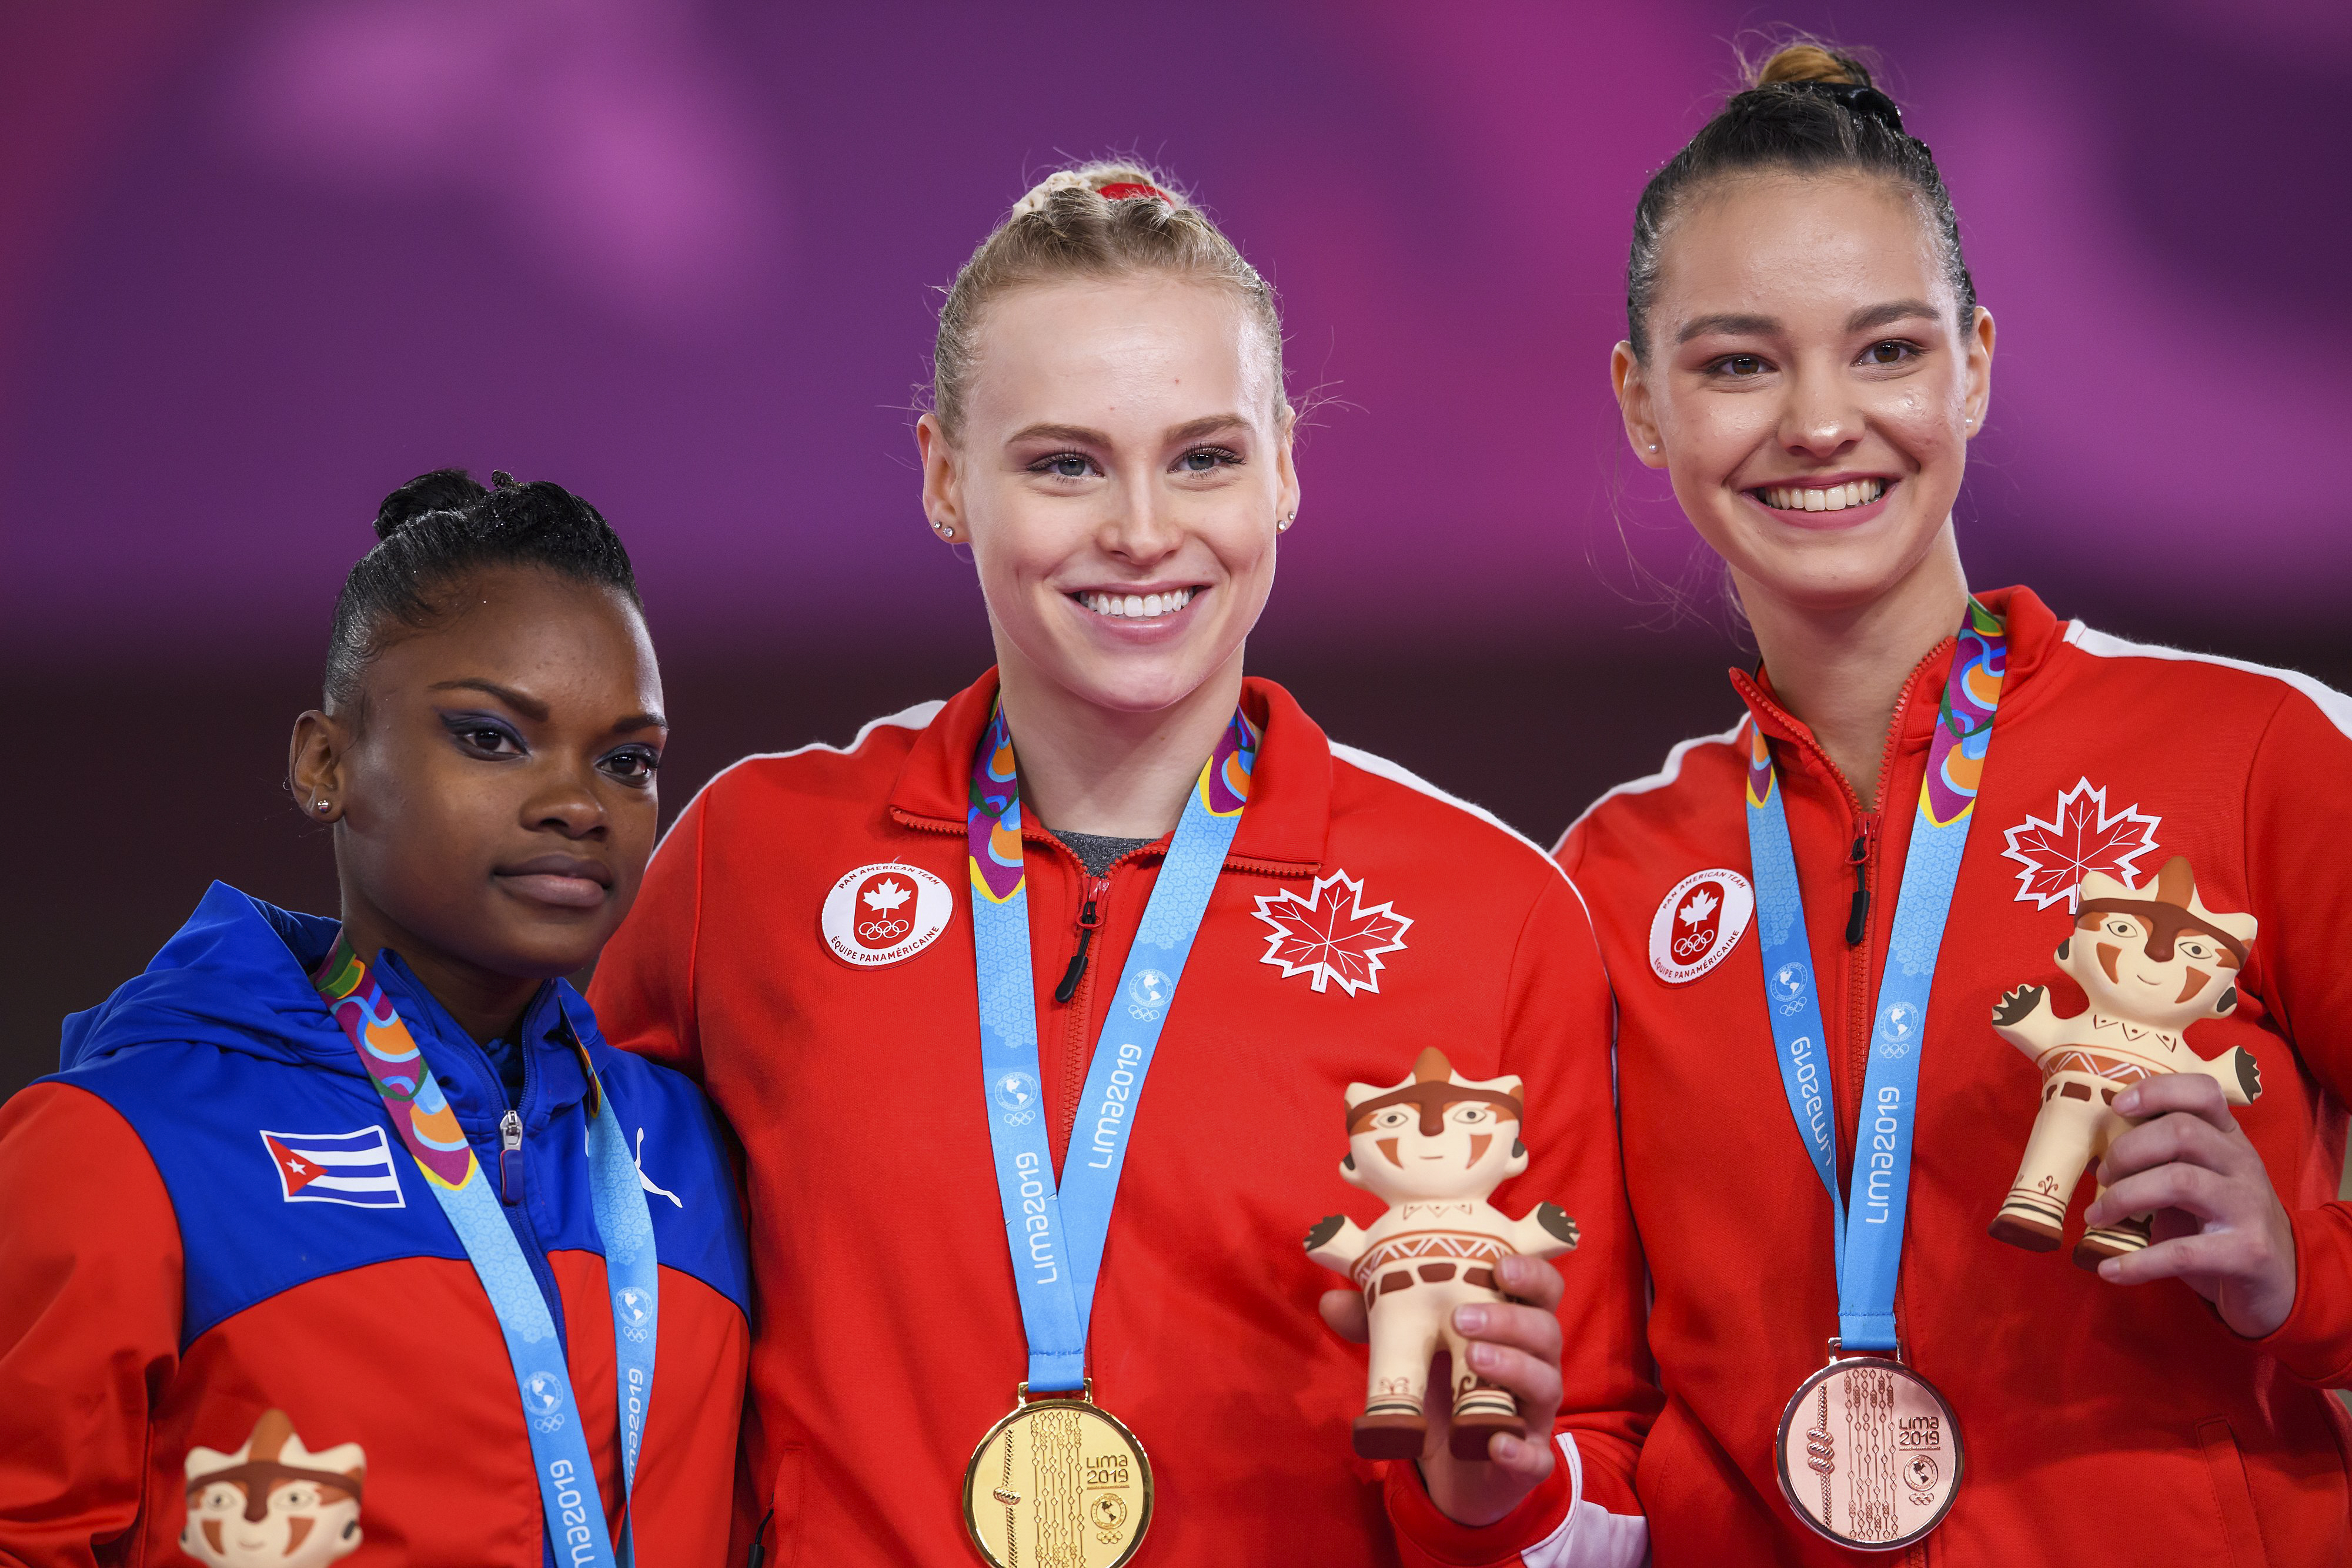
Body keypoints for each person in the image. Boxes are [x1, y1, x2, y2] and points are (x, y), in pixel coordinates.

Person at [589, 163, 1655, 1566]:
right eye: (1063, 462)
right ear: (942, 478)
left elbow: (1603, 1479)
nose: (1142, 529)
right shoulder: (757, 861)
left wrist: (1490, 1489)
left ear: (1283, 466)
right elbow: (561, 1286)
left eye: (1203, 456)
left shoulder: (1490, 909)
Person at [1556, 40, 2352, 1562]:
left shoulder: (2253, 752)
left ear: (1976, 363)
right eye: (1736, 362)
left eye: (1887, 350)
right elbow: (1597, 1412)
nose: (1818, 421)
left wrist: (2300, 1273)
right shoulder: (1608, 877)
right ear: (1643, 403)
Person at [0, 472, 750, 1567]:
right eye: (492, 738)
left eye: (627, 761)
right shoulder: (120, 1147)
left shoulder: (693, 1148)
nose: (578, 804)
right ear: (325, 764)